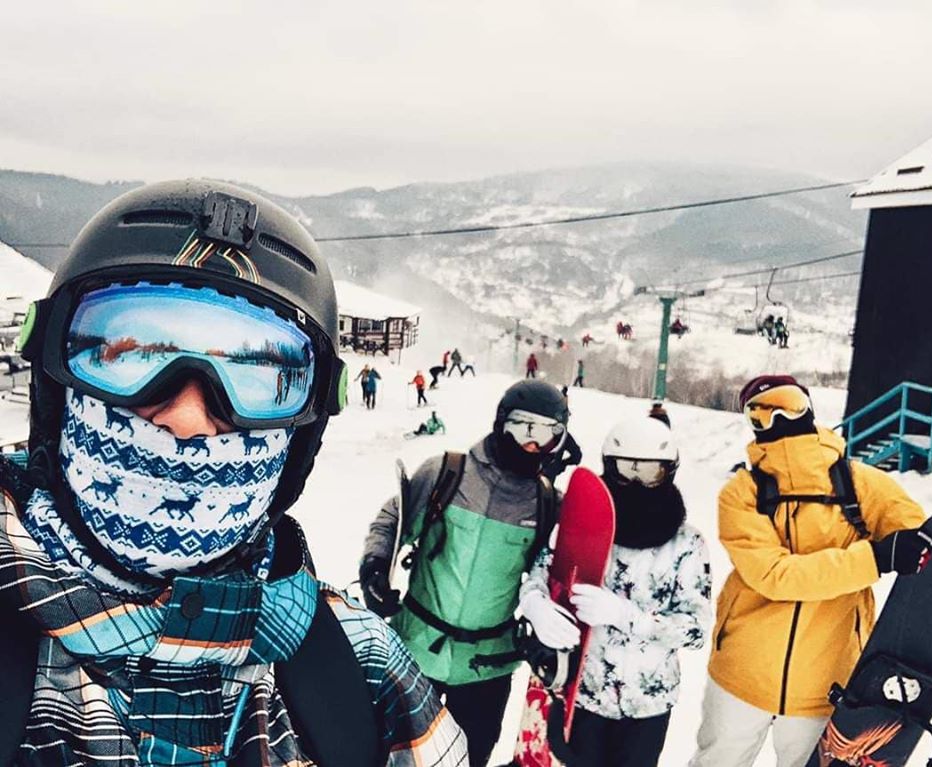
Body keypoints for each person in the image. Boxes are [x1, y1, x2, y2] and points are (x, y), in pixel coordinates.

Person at [2, 180, 466, 766]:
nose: (186, 417)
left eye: (257, 374)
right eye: (132, 351)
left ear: (301, 434)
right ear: (55, 381)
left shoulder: (362, 670)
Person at [689, 374, 930, 767]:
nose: (778, 419)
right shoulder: (742, 494)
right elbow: (775, 575)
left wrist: (913, 548)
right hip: (743, 675)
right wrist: (875, 558)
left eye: (788, 404)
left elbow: (917, 534)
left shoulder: (861, 484)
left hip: (826, 681)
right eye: (760, 412)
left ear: (809, 408)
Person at [360, 380, 570, 767]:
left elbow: (551, 575)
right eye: (524, 427)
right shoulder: (447, 473)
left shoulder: (546, 503)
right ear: (502, 422)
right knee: (394, 755)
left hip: (487, 666)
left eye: (547, 434)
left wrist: (546, 630)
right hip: (416, 651)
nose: (532, 444)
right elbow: (393, 518)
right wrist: (375, 565)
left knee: (469, 758)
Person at [523, 417, 711, 766]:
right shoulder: (580, 522)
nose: (637, 480)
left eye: (650, 471)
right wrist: (534, 602)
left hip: (646, 705)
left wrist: (627, 615)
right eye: (628, 468)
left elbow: (696, 630)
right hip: (584, 694)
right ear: (610, 466)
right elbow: (543, 571)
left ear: (668, 471)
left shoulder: (687, 544)